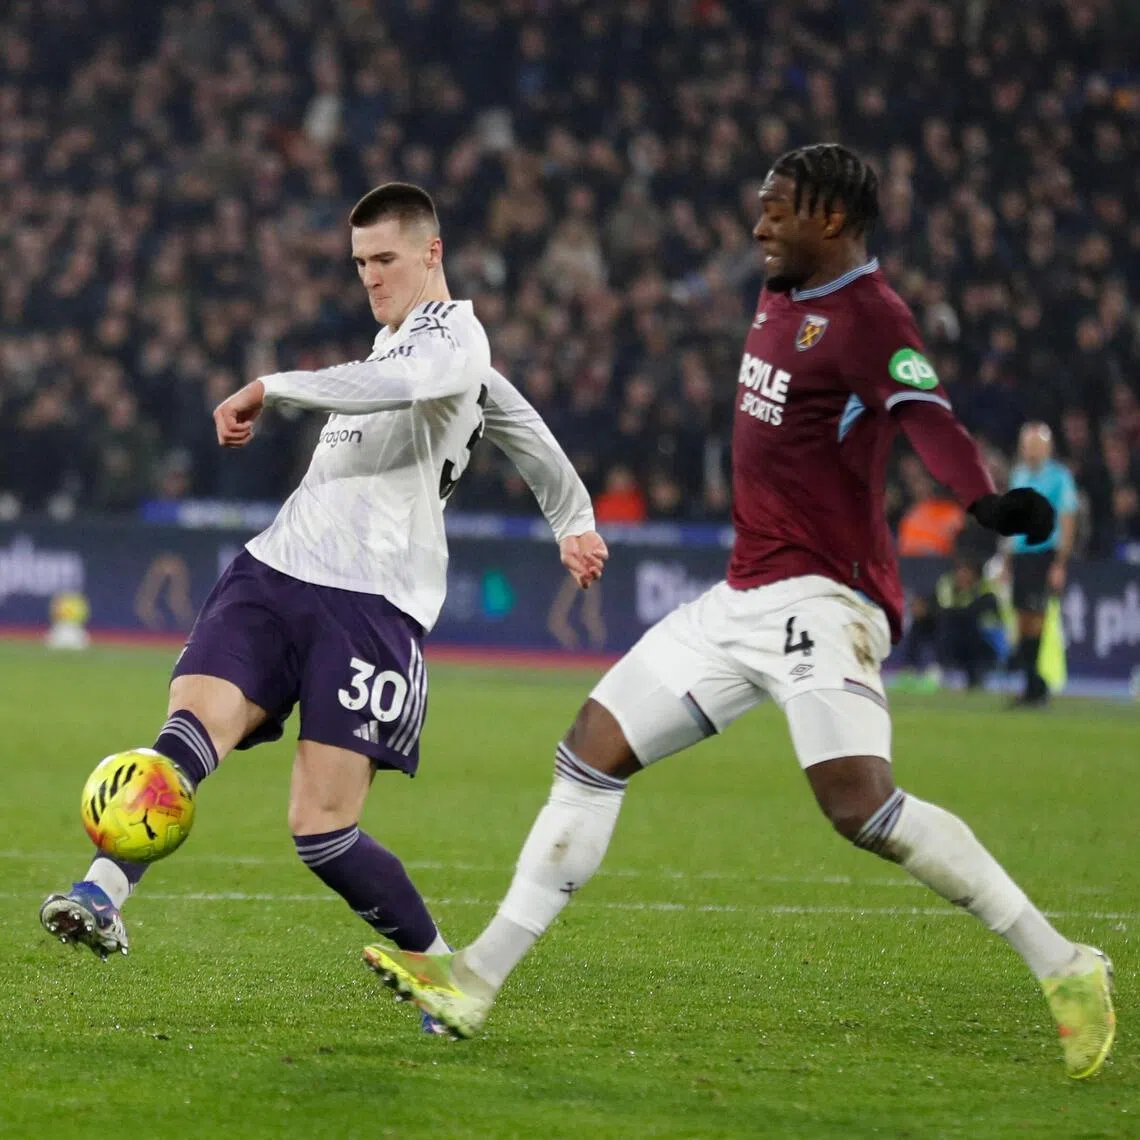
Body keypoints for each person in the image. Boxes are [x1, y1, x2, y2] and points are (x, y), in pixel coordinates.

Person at [363, 147, 1115, 1079]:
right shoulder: (781, 295)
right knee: (591, 747)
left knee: (857, 803)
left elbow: (928, 417)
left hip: (825, 595)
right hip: (740, 594)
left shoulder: (872, 319)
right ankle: (473, 980)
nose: (759, 227)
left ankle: (1065, 964)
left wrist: (985, 502)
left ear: (832, 221)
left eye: (778, 211)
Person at [39, 184, 609, 1023]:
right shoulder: (398, 343)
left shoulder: (454, 338)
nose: (371, 277)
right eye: (360, 263)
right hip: (277, 568)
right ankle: (102, 893)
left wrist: (272, 385)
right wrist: (574, 517)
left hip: (373, 603)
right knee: (188, 734)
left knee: (322, 831)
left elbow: (463, 399)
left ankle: (444, 972)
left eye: (385, 260)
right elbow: (520, 423)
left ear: (431, 254)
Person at [1004, 422, 1078, 707]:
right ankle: (1033, 684)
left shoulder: (1059, 477)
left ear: (1047, 448)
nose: (1031, 450)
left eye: (1036, 444)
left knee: (1036, 616)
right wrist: (1007, 558)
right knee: (1022, 618)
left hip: (1044, 553)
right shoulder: (1019, 474)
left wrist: (1060, 562)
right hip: (1021, 555)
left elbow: (1068, 518)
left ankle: (1035, 686)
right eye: (1027, 444)